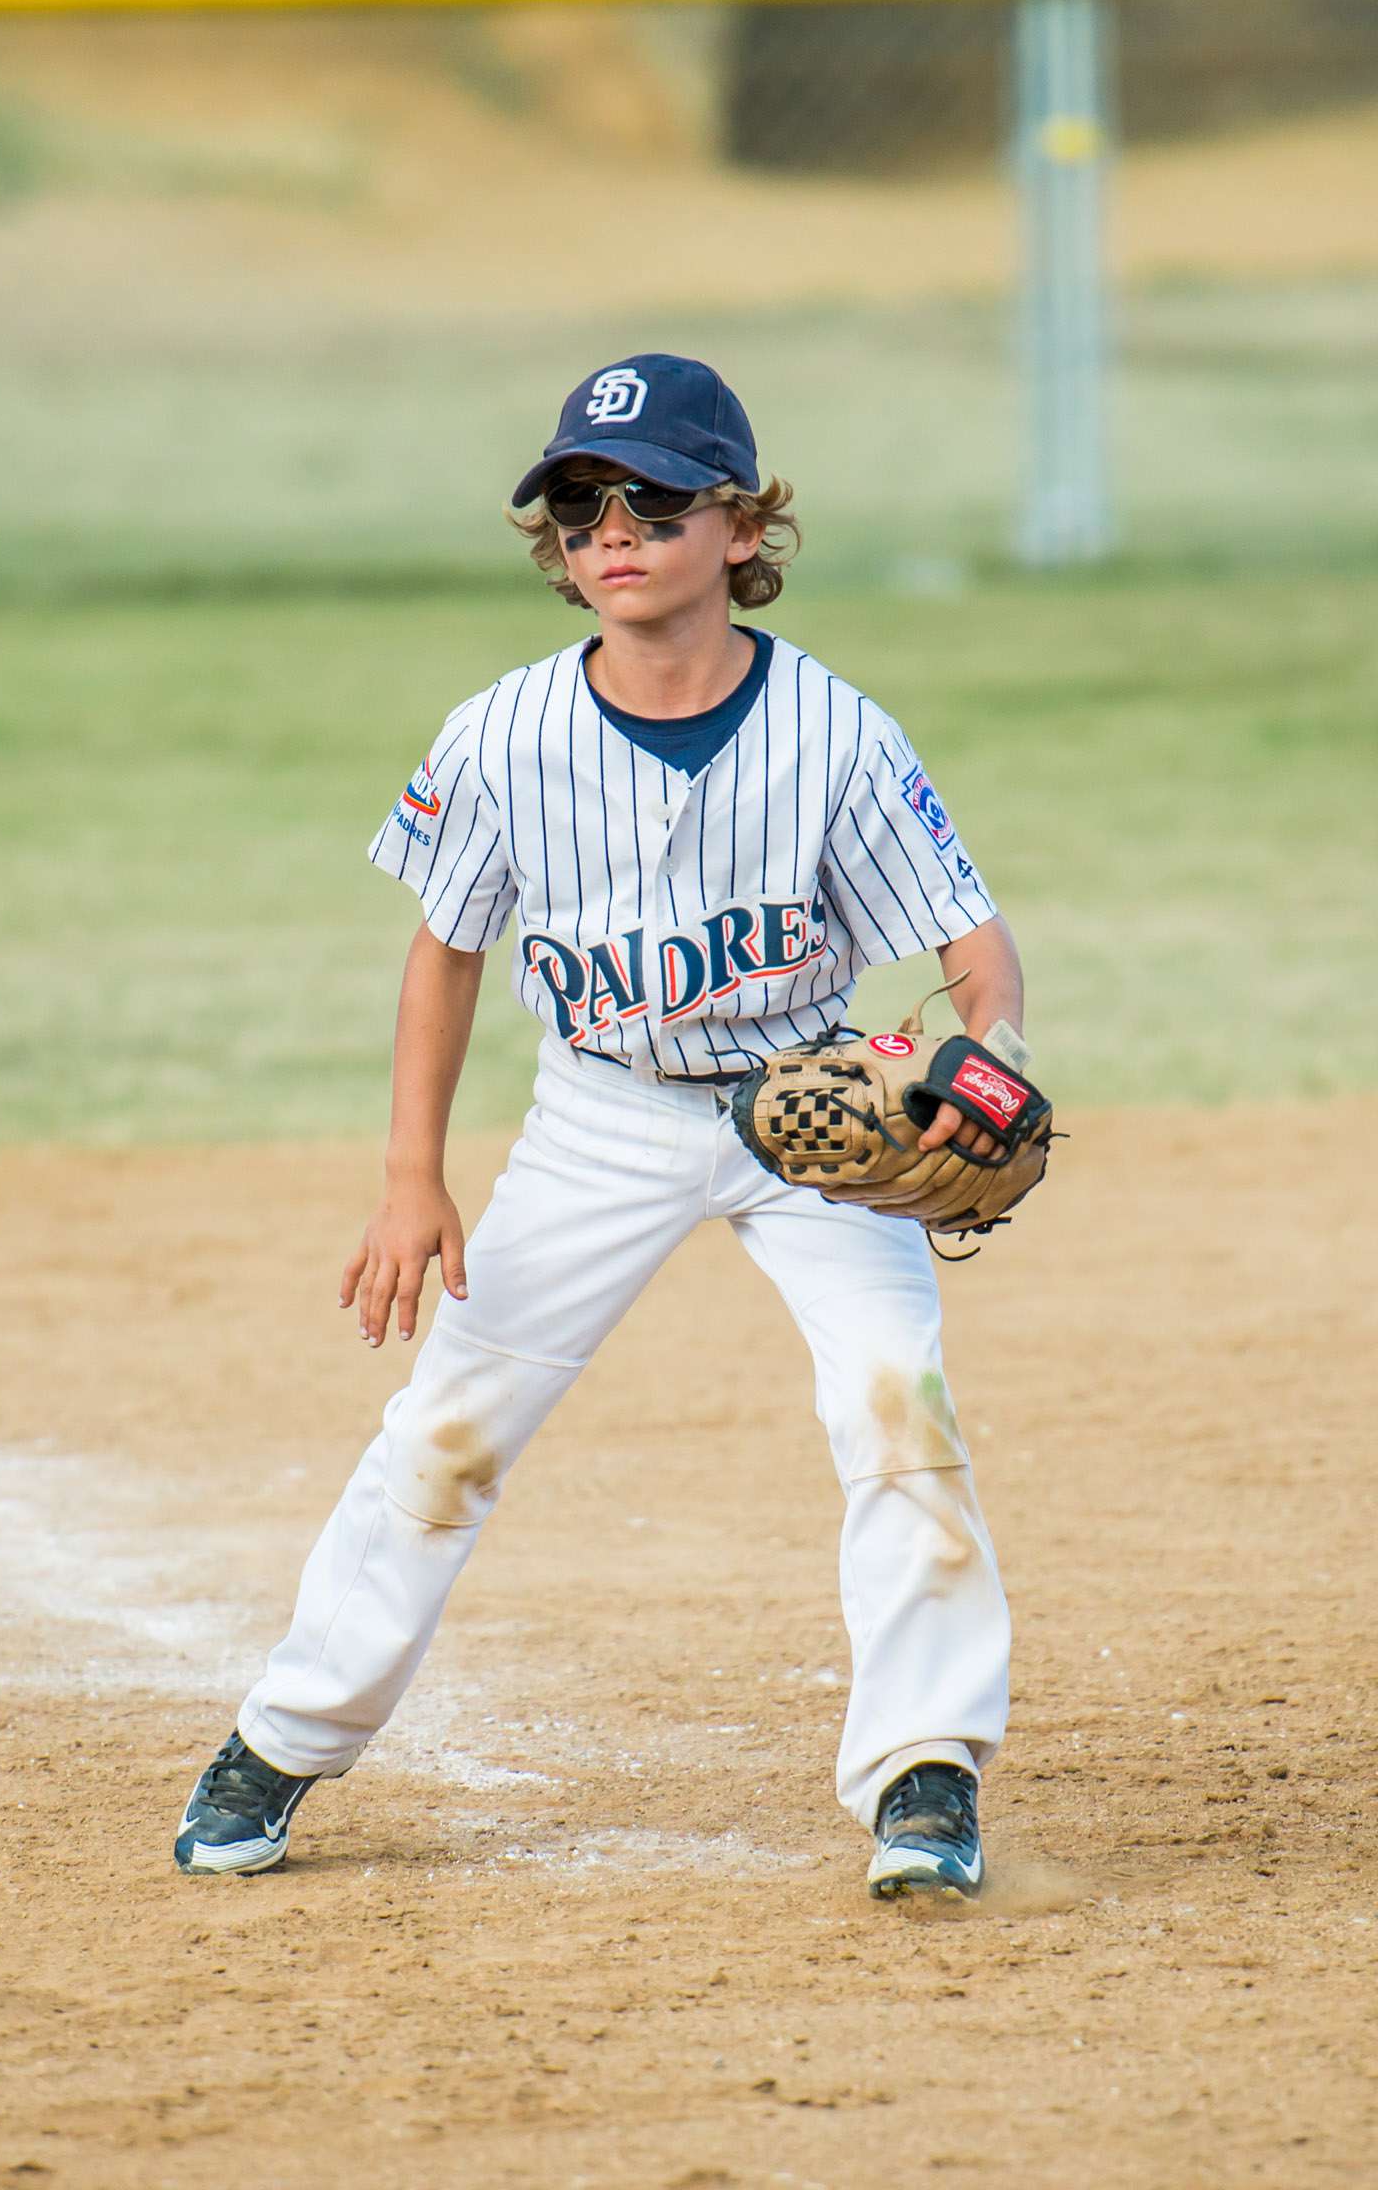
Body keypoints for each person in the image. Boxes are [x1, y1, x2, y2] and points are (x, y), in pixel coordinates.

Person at [175, 353, 1023, 1900]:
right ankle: (287, 1738)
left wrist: (991, 1057)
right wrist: (409, 1177)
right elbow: (445, 949)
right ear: (557, 550)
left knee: (898, 1400)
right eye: (578, 504)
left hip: (808, 1119)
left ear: (739, 528)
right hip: (598, 1120)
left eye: (652, 497)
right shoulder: (502, 735)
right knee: (449, 1429)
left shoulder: (832, 729)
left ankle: (924, 1773)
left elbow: (969, 939)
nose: (612, 527)